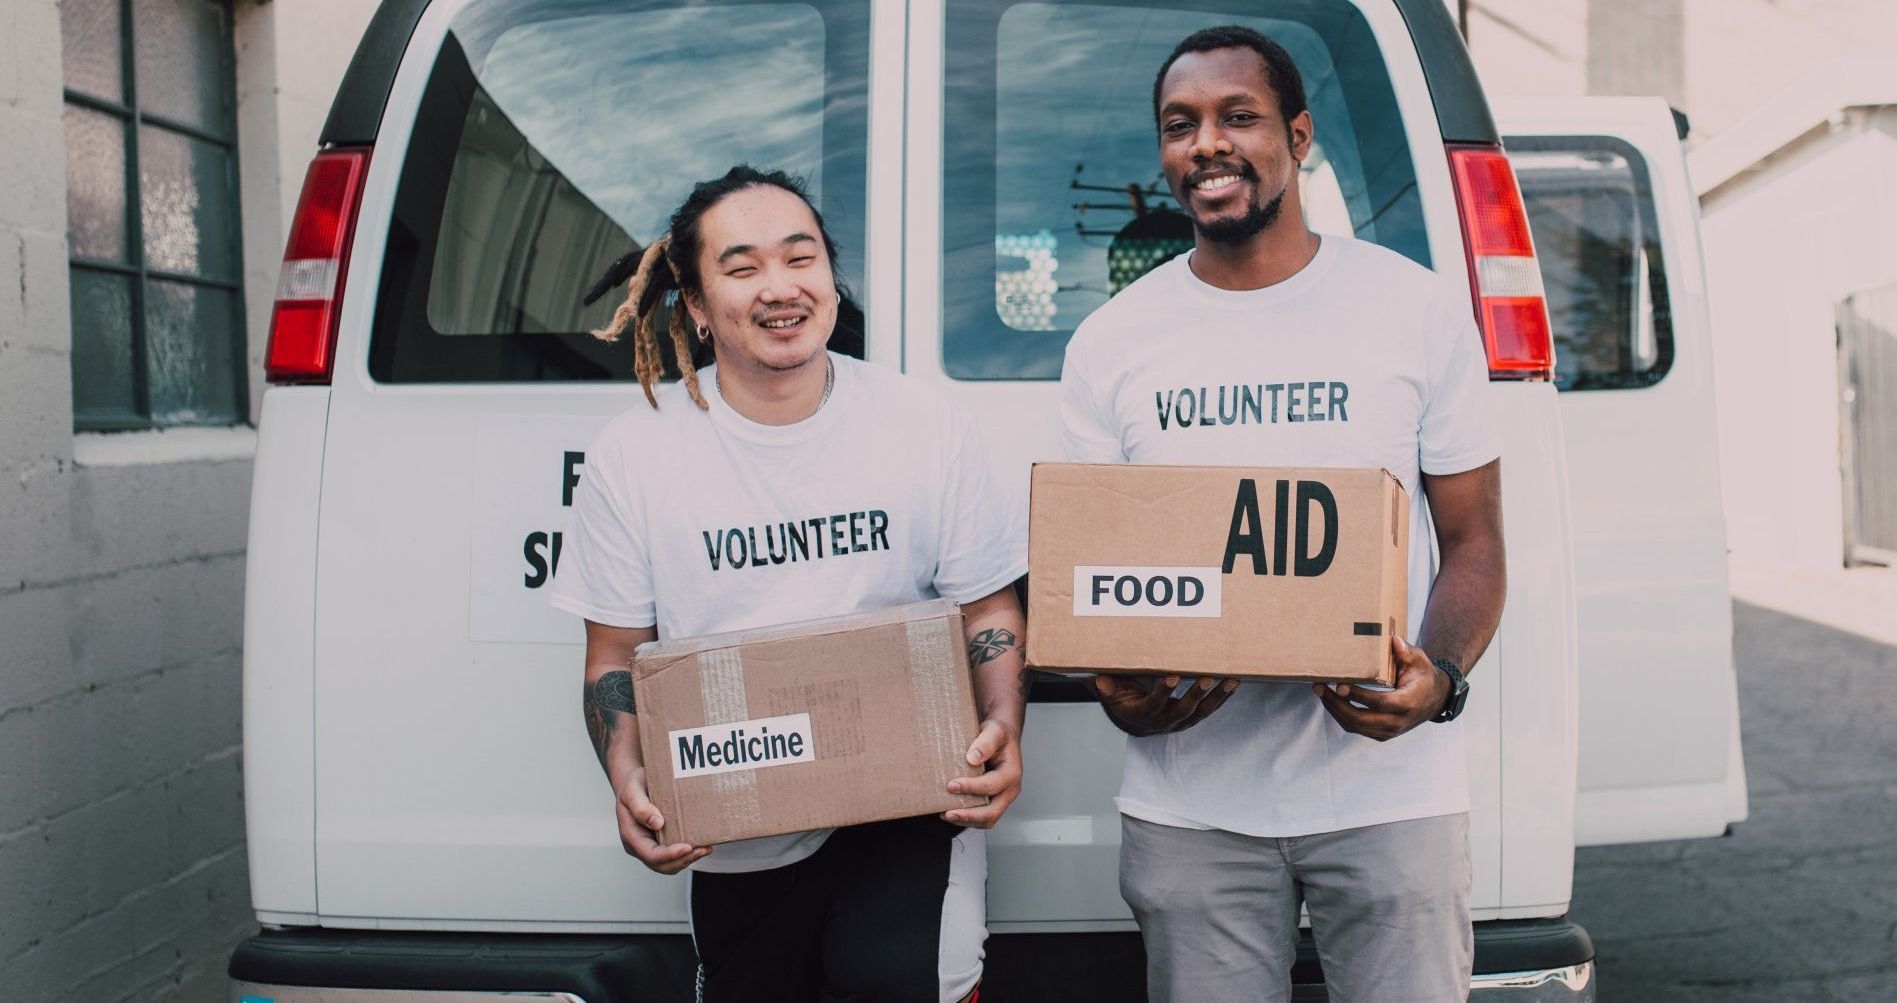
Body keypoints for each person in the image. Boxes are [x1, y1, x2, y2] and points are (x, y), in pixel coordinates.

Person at [1059, 26, 1507, 1003]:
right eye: (1180, 125)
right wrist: (1119, 689)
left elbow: (1475, 542)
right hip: (1191, 805)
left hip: (1389, 797)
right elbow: (1096, 576)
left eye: (1238, 116)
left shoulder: (1413, 310)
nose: (1206, 143)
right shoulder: (1111, 343)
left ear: (1298, 136)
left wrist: (1438, 681)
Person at [548, 166, 1028, 1003]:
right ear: (696, 306)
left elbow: (988, 606)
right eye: (741, 268)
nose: (780, 287)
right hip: (734, 818)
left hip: (908, 805)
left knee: (900, 983)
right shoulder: (637, 454)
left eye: (800, 259)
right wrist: (625, 772)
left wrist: (1002, 725)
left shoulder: (924, 424)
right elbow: (613, 655)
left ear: (830, 283)